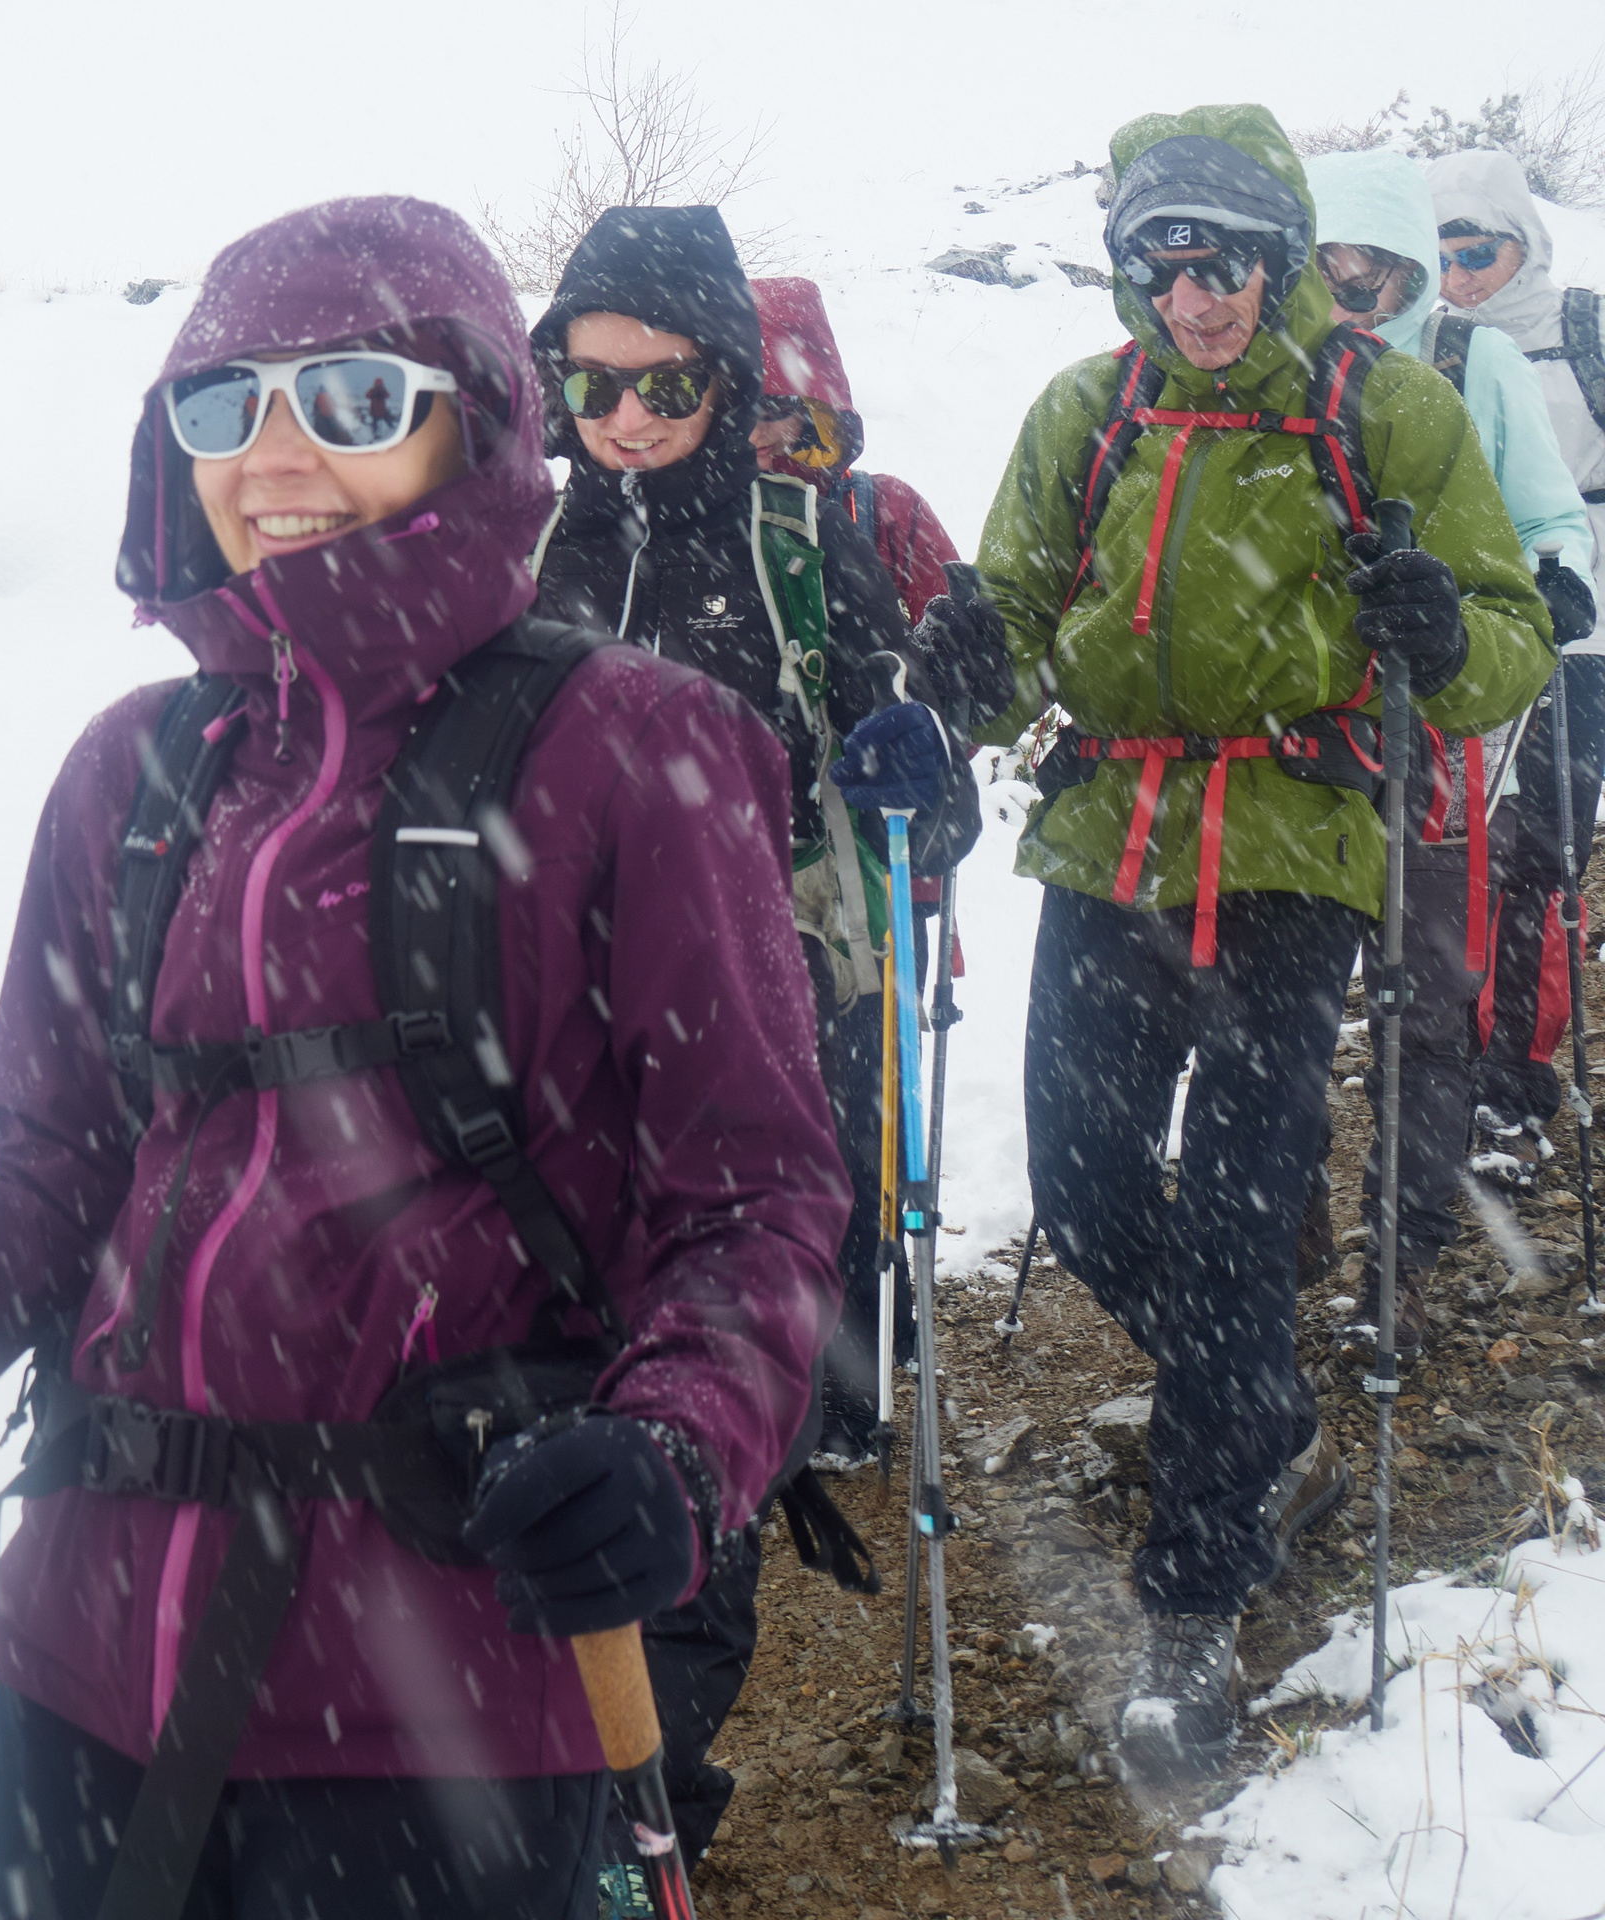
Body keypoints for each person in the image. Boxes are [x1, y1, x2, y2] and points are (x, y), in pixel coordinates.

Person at [0, 195, 851, 1919]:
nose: (273, 453)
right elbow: (57, 1174)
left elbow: (753, 1204)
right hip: (72, 1668)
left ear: (473, 421)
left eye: (354, 401)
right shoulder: (134, 775)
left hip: (437, 1713)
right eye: (222, 407)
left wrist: (671, 1444)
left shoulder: (634, 748)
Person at [976, 105, 1552, 1779]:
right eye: (1163, 264)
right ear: (1128, 270)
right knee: (1086, 1193)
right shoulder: (1089, 415)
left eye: (1223, 261)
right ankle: (1260, 1409)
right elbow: (1015, 611)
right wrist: (967, 665)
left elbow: (1508, 632)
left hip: (1292, 858)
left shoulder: (1389, 409)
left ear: (1280, 257)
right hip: (1110, 849)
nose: (1196, 299)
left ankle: (1192, 1606)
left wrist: (1444, 633)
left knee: (1232, 1237)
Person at [526, 203, 1013, 1866]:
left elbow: (910, 788)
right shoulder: (530, 551)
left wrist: (917, 779)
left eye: (666, 387)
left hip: (762, 1000)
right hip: (545, 1032)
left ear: (731, 383)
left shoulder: (802, 543)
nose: (629, 424)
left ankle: (652, 1801)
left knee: (703, 1369)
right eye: (591, 388)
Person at [1299, 149, 1596, 1332]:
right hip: (1305, 731)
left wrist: (1555, 583)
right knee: (1294, 988)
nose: (1354, 296)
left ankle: (1407, 1237)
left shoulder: (1475, 362)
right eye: (1329, 272)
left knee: (1428, 989)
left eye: (1375, 274)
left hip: (1441, 728)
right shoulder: (1277, 378)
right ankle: (1286, 1210)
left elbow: (1545, 515)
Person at [1427, 147, 1605, 1163]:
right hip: (1467, 642)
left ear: (1520, 244)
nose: (1458, 272)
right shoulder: (1428, 354)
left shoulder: (1581, 336)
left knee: (1538, 857)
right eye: (1440, 251)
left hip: (1580, 642)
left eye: (1477, 249)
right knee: (1460, 859)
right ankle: (1453, 1054)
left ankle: (1514, 1075)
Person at [749, 275, 966, 623]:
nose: (753, 433)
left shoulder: (888, 512)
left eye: (773, 407)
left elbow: (959, 657)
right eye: (733, 407)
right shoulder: (674, 516)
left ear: (812, 409)